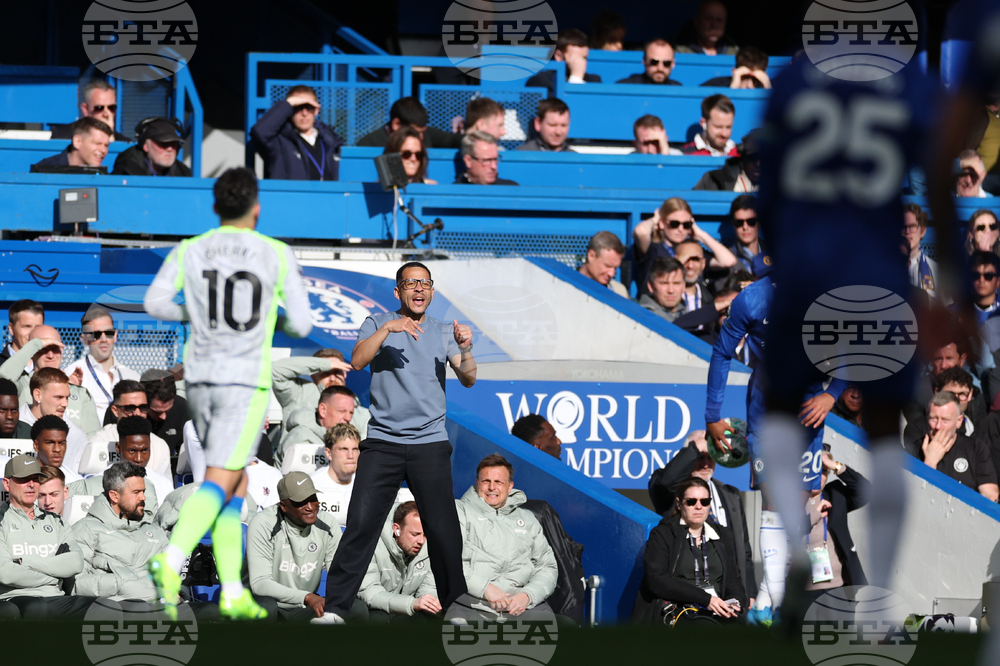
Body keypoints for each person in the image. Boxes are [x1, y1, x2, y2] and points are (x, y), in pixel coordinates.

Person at [754, 51, 943, 618]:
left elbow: (770, 186)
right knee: (885, 431)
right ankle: (880, 597)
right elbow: (933, 174)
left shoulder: (792, 78)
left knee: (780, 415)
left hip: (806, 263)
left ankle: (792, 540)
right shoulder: (903, 76)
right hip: (873, 272)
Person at [144, 167, 314, 621]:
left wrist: (199, 313)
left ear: (216, 207)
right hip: (243, 381)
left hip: (200, 381)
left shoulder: (190, 250)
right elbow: (302, 324)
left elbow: (153, 303)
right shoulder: (275, 253)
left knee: (235, 481)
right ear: (256, 209)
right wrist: (264, 317)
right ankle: (172, 557)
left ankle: (234, 588)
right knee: (223, 476)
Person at [318, 261, 476, 625]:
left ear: (432, 290)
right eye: (411, 283)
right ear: (398, 291)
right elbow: (357, 361)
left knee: (443, 530)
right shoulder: (377, 323)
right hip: (383, 442)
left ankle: (455, 608)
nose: (419, 289)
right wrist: (389, 327)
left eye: (425, 283)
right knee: (360, 523)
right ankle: (336, 609)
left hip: (429, 444)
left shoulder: (442, 330)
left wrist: (466, 348)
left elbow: (468, 378)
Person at [704, 259, 847, 619]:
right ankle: (781, 606)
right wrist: (712, 415)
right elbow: (722, 353)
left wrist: (832, 395)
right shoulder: (751, 300)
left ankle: (766, 600)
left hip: (808, 415)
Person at [647, 431, 756, 605]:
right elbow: (667, 481)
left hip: (725, 596)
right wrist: (695, 447)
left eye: (711, 456)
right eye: (700, 457)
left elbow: (743, 548)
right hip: (684, 600)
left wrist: (748, 592)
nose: (706, 464)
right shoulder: (669, 488)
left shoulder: (730, 493)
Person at [631, 477, 746, 625]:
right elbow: (657, 580)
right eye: (691, 501)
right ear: (679, 504)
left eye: (704, 502)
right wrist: (706, 599)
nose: (699, 507)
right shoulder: (663, 534)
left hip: (715, 608)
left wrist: (735, 603)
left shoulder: (722, 535)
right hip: (678, 609)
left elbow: (733, 580)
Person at [245, 471, 356, 622]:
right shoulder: (263, 523)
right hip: (267, 605)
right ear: (284, 506)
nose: (310, 507)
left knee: (356, 608)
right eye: (301, 502)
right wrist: (306, 597)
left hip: (304, 608)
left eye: (313, 499)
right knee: (266, 606)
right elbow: (260, 584)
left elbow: (339, 576)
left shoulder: (328, 524)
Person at [455, 454, 557, 615]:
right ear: (477, 483)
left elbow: (547, 566)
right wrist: (485, 588)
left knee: (565, 630)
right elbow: (450, 560)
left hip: (522, 608)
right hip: (474, 605)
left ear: (510, 486)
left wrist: (528, 596)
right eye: (486, 481)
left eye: (498, 482)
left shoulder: (527, 519)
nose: (491, 487)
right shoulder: (459, 511)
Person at [0, 455, 89, 618]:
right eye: (24, 479)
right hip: (14, 597)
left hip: (56, 597)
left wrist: (25, 562)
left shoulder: (55, 520)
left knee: (104, 607)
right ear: (7, 484)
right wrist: (55, 577)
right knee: (36, 608)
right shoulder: (2, 519)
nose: (31, 485)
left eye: (35, 479)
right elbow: (6, 573)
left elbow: (76, 563)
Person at [70, 461, 169, 600]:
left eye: (143, 491)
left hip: (162, 603)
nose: (143, 497)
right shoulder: (86, 530)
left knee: (207, 610)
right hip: (117, 607)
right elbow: (75, 583)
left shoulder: (154, 531)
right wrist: (120, 584)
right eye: (136, 492)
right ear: (114, 496)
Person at [798, 450, 870, 614]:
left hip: (840, 588)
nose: (818, 475)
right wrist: (814, 515)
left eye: (823, 470)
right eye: (814, 469)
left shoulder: (835, 495)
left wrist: (835, 465)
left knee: (841, 638)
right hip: (804, 591)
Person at [0, 324, 101, 436]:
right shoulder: (22, 384)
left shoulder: (81, 394)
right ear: (32, 352)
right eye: (43, 349)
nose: (50, 355)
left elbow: (93, 439)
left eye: (55, 348)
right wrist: (35, 345)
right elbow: (3, 379)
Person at [631, 196, 738, 299]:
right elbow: (640, 232)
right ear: (662, 223)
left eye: (686, 224)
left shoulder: (694, 250)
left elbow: (729, 261)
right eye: (674, 224)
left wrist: (701, 235)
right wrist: (655, 219)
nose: (681, 229)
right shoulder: (653, 249)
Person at [69, 416, 173, 513]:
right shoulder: (99, 483)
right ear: (118, 448)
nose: (139, 458)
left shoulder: (163, 484)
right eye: (132, 451)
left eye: (145, 450)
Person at [358, 501, 439, 622]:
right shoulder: (369, 545)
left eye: (425, 534)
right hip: (374, 610)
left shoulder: (429, 549)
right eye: (415, 534)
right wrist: (411, 603)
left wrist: (431, 602)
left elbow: (428, 588)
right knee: (378, 618)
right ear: (397, 529)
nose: (421, 541)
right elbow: (370, 593)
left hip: (406, 610)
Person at [913, 392, 999, 500]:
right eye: (933, 419)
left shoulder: (976, 448)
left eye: (945, 420)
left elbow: (990, 494)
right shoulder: (916, 448)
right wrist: (929, 463)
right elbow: (914, 497)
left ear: (959, 421)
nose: (938, 426)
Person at [250, 85, 344, 181]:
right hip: (292, 196)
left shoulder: (330, 141)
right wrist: (289, 103)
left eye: (309, 107)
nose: (304, 113)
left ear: (317, 110)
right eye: (298, 107)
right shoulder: (279, 142)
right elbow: (259, 132)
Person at [65, 306, 141, 423]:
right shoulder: (71, 374)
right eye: (96, 334)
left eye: (109, 333)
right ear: (84, 339)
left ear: (115, 336)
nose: (104, 339)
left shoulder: (133, 377)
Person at [83, 380, 171, 477]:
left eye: (143, 407)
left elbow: (164, 486)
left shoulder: (160, 445)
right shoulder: (98, 442)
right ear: (115, 410)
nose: (137, 413)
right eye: (129, 408)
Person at [271, 350, 368, 436]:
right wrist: (324, 364)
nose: (332, 378)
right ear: (313, 375)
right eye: (325, 372)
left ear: (345, 374)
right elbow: (275, 369)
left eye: (337, 372)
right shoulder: (298, 392)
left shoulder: (362, 413)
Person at [640, 257, 735, 342]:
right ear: (651, 286)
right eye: (664, 283)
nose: (671, 290)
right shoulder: (642, 314)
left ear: (684, 285)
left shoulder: (684, 310)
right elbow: (672, 330)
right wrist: (720, 305)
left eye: (676, 283)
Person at [17, 368, 92, 474]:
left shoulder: (77, 437)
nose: (65, 404)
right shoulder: (11, 426)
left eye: (67, 398)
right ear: (38, 395)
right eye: (58, 397)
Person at [278, 385, 357, 464]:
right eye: (342, 411)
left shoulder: (346, 439)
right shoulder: (301, 438)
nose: (348, 418)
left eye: (351, 413)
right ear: (323, 410)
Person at [358, 97, 461, 149]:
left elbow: (452, 140)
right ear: (396, 124)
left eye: (422, 132)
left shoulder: (427, 134)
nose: (421, 137)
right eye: (415, 132)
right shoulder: (369, 144)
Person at [526, 29, 602, 96]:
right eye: (575, 58)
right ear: (558, 56)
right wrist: (576, 79)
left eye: (584, 58)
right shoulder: (541, 81)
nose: (580, 62)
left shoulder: (594, 80)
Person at [50, 79, 129, 142]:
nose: (106, 114)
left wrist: (110, 136)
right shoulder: (63, 136)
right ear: (85, 109)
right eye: (99, 108)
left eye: (111, 108)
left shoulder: (124, 143)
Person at [112, 117, 192, 177]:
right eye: (163, 144)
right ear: (146, 146)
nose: (170, 149)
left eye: (174, 144)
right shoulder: (126, 168)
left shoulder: (184, 173)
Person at [32, 117, 112, 169]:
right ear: (77, 142)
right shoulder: (45, 169)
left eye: (106, 145)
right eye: (97, 143)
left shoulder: (102, 177)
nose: (103, 150)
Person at [140, 370, 188, 455]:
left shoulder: (183, 409)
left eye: (168, 410)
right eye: (156, 412)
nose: (163, 417)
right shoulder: (123, 410)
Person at [693, 130, 760, 191]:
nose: (758, 164)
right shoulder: (713, 180)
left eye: (764, 160)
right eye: (752, 158)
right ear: (743, 157)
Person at [31, 415, 82, 483]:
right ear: (36, 446)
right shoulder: (21, 479)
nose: (57, 449)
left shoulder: (75, 482)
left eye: (61, 443)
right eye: (50, 443)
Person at [903, 203, 939, 298]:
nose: (907, 231)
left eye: (913, 226)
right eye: (903, 226)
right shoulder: (887, 267)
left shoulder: (935, 270)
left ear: (922, 231)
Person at [578, 231, 629, 298]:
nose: (612, 274)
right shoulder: (567, 286)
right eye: (607, 266)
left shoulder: (619, 292)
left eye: (615, 268)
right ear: (591, 256)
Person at [726, 195, 764, 275]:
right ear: (733, 224)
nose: (745, 227)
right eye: (739, 222)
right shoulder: (726, 258)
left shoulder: (773, 253)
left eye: (751, 221)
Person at [617, 39, 682, 85]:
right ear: (644, 61)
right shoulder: (626, 86)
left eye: (666, 63)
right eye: (654, 62)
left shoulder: (678, 90)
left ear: (673, 64)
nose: (660, 68)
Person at [702, 46, 771, 88]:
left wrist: (768, 88)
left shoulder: (765, 87)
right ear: (733, 72)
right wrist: (733, 88)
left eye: (755, 79)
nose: (750, 86)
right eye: (744, 77)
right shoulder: (714, 85)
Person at [1, 299, 44, 364]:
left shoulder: (49, 364)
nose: (32, 333)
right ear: (11, 329)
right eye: (27, 327)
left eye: (37, 327)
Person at [969, 251, 1000, 325]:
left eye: (988, 276)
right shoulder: (954, 313)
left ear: (998, 281)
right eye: (976, 275)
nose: (981, 280)